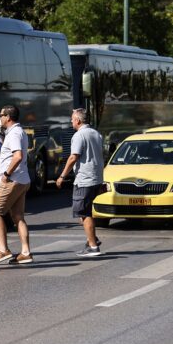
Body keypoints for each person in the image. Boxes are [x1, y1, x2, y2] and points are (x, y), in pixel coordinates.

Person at [0, 105, 32, 265]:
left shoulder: (14, 133)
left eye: (1, 115)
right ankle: (25, 252)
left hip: (12, 180)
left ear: (8, 117)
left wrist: (5, 175)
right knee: (18, 216)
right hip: (21, 179)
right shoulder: (19, 132)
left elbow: (17, 156)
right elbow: (11, 158)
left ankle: (3, 250)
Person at [56, 108, 105, 257]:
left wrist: (62, 176)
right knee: (83, 210)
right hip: (96, 178)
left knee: (84, 213)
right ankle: (93, 238)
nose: (71, 122)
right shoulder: (96, 133)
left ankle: (93, 246)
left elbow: (73, 157)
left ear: (78, 120)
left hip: (85, 179)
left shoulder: (79, 135)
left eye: (72, 119)